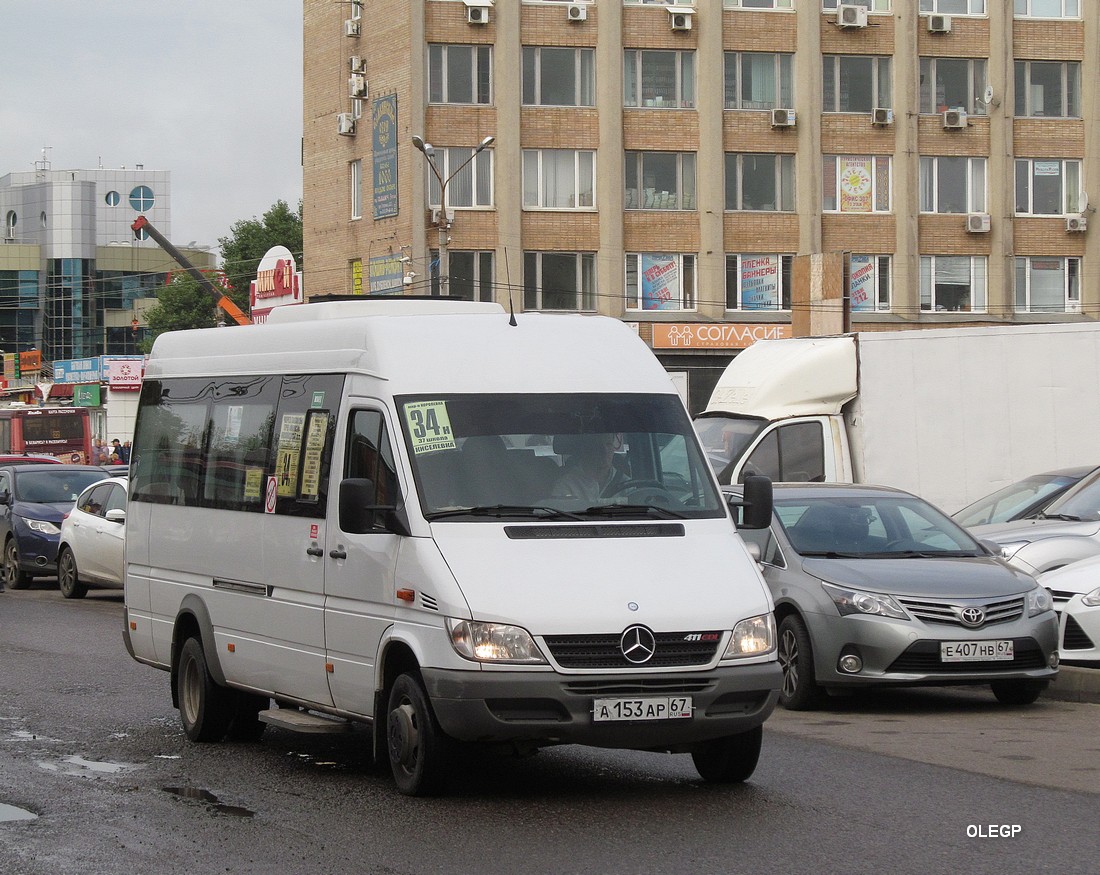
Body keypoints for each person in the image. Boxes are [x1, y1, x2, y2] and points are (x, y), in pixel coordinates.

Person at [551, 433, 627, 502]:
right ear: (585, 449)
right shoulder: (566, 485)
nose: (605, 451)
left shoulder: (626, 484)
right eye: (598, 446)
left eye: (609, 444)